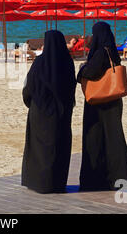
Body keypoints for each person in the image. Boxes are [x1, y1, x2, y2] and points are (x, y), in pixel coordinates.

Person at [77, 22, 127, 192]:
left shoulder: (101, 52)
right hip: (113, 100)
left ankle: (97, 180)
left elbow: (91, 72)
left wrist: (81, 70)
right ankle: (119, 178)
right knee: (114, 137)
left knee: (96, 139)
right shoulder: (111, 51)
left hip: (99, 102)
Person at [21, 30, 77, 194]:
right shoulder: (67, 61)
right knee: (59, 146)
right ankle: (56, 182)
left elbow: (29, 86)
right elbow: (71, 86)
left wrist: (30, 102)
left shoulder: (40, 62)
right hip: (62, 111)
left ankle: (39, 182)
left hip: (40, 110)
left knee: (39, 147)